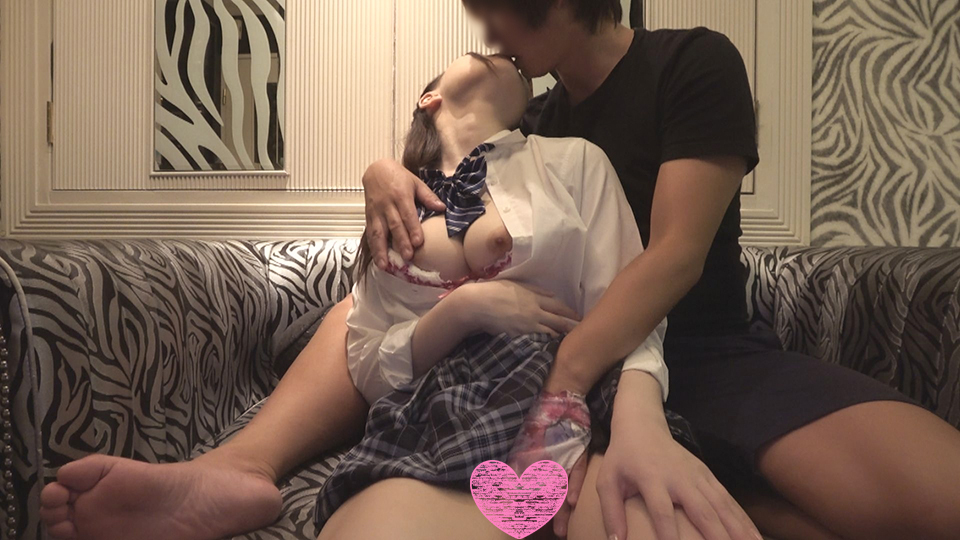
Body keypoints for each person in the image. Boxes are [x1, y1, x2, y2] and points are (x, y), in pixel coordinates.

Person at [38, 1, 960, 540]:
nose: (484, 25)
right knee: (359, 307)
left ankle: (741, 485)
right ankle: (235, 467)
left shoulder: (690, 62)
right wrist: (385, 172)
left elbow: (674, 254)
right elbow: (446, 217)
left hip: (700, 350)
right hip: (540, 358)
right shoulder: (537, 130)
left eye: (495, 10)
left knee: (935, 495)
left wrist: (577, 385)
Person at [313, 50, 712, 536]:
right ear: (429, 98)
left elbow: (633, 309)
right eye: (477, 54)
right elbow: (367, 363)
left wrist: (639, 417)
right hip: (442, 416)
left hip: (581, 396)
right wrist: (460, 311)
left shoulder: (573, 160)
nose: (500, 53)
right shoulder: (394, 208)